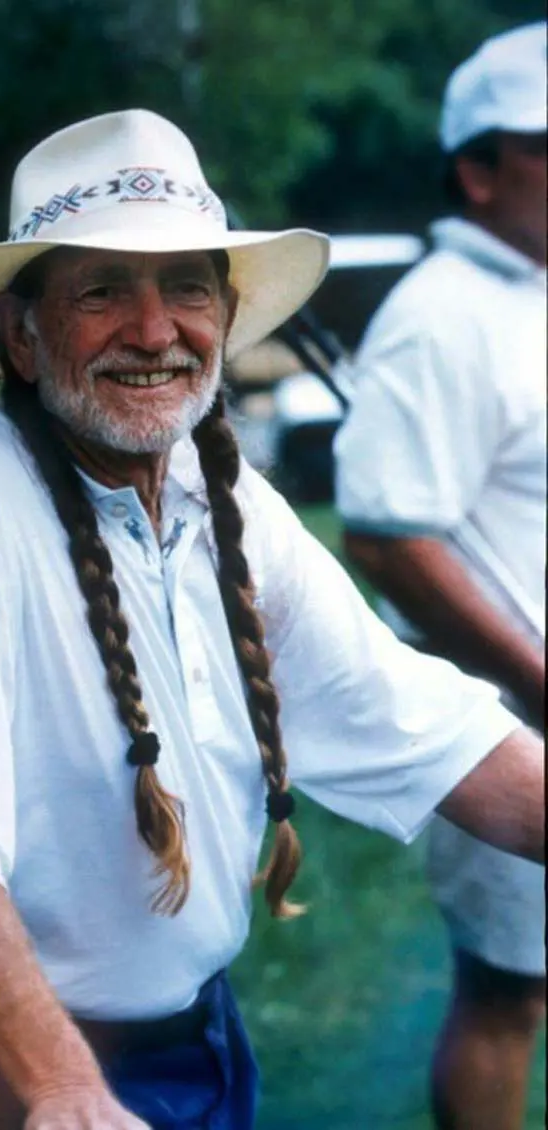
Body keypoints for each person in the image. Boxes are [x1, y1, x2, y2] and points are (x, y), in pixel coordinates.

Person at [0, 108, 544, 1130]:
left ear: (223, 313)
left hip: (196, 1034)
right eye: (101, 291)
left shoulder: (220, 497)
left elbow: (426, 724)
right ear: (21, 333)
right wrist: (65, 1088)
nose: (152, 332)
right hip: (17, 1060)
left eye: (185, 287)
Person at [334, 23, 546, 1130]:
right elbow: (386, 537)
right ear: (478, 170)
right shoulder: (439, 317)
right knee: (508, 993)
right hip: (511, 719)